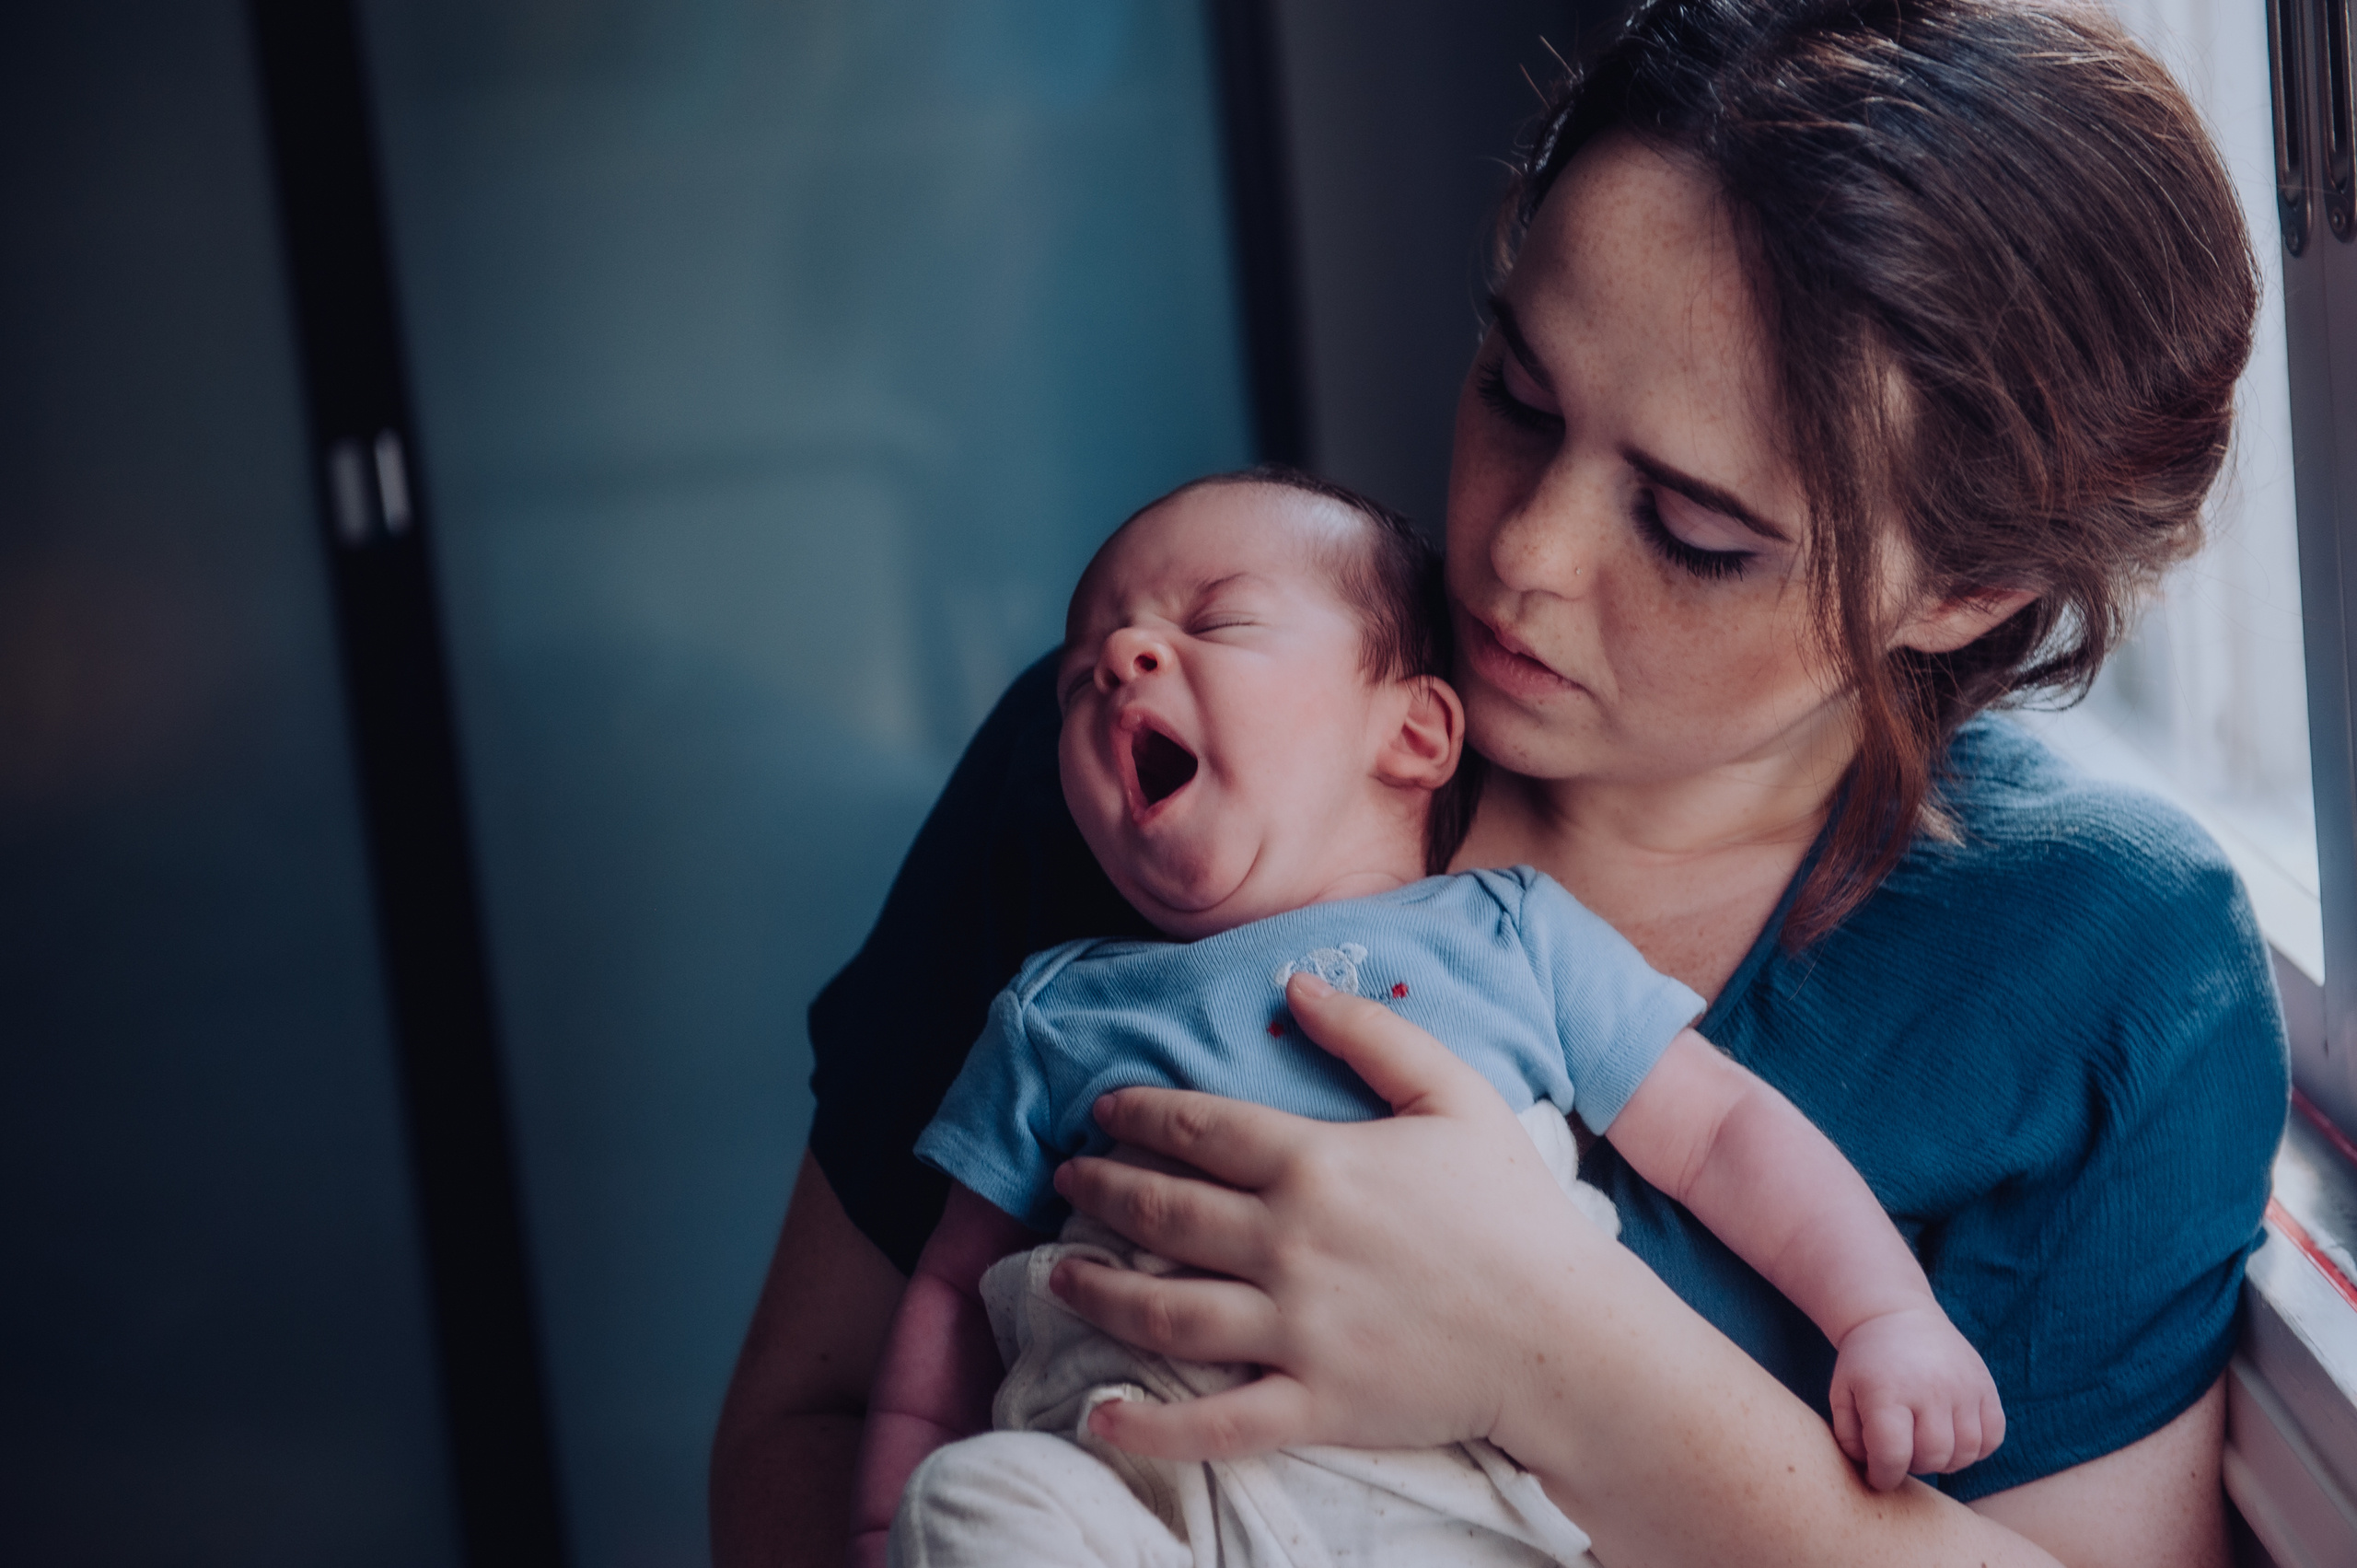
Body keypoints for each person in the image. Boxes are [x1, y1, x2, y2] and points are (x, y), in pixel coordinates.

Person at [711, 4, 2291, 1564]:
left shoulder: (2104, 962)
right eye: (1517, 394)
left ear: (1965, 588)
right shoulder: (1141, 769)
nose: (1524, 550)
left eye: (1695, 529)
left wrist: (1561, 1353)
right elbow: (809, 1421)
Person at [853, 472, 2003, 1567]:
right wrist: (880, 1513)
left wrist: (1884, 1313)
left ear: (1411, 732)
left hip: (1442, 1498)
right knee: (967, 1500)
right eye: (1079, 679)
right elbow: (952, 1286)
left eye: (1217, 621)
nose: (1120, 658)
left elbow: (1718, 1133)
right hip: (1133, 1473)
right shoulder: (1057, 1009)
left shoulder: (1508, 935)